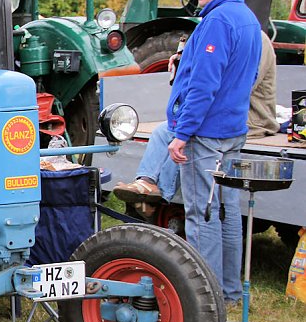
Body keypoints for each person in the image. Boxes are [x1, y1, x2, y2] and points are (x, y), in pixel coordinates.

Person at [165, 0, 261, 307]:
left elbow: (203, 85)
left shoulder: (218, 20)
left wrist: (183, 132)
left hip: (207, 133)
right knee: (226, 210)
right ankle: (230, 292)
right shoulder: (248, 19)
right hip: (233, 129)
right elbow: (248, 78)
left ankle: (205, 299)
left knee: (201, 213)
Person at [114, 31, 278, 209]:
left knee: (185, 135)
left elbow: (239, 87)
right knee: (163, 131)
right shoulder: (227, 33)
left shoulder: (254, 39)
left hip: (248, 118)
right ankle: (146, 181)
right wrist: (183, 65)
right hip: (222, 113)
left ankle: (159, 198)